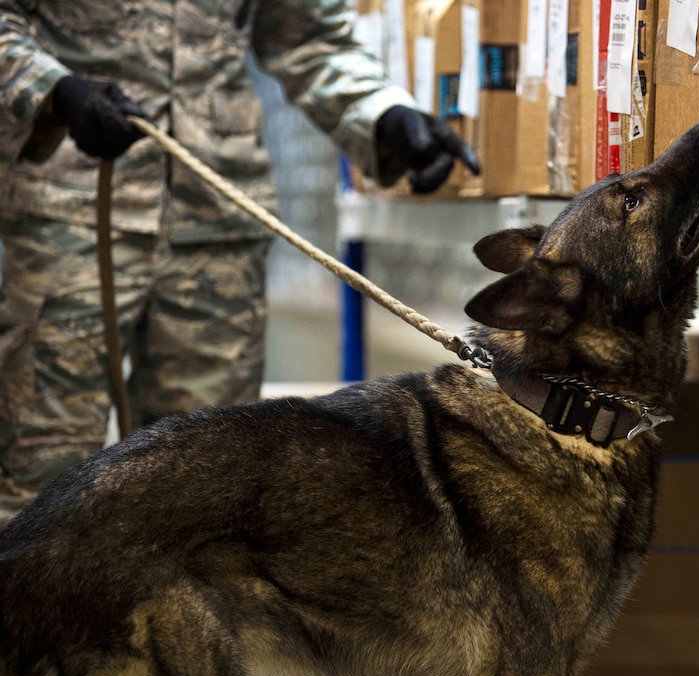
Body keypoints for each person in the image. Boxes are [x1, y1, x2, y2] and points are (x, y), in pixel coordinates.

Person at [0, 0, 479, 524]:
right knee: (40, 477)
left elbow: (309, 35)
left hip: (216, 220)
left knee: (204, 486)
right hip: (67, 214)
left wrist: (382, 113)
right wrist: (53, 91)